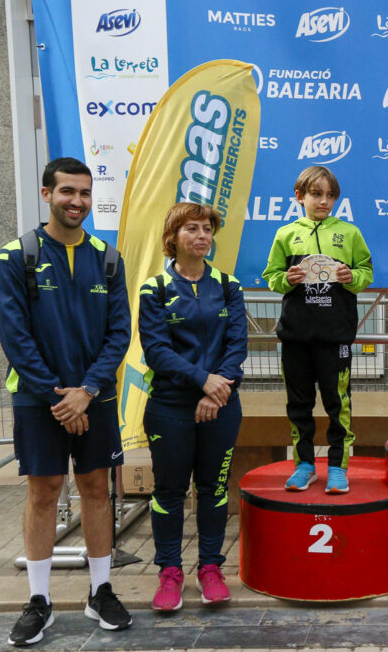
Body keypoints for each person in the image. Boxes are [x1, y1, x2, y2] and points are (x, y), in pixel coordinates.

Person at [0, 158, 132, 646]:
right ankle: (39, 601)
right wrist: (59, 397)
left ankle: (101, 591)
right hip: (40, 399)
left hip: (94, 396)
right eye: (67, 191)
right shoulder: (17, 256)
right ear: (46, 194)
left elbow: (119, 333)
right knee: (44, 491)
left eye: (85, 193)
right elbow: (15, 335)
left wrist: (87, 391)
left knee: (96, 488)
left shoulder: (108, 257)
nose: (77, 201)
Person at [138, 203, 248, 611]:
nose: (202, 236)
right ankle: (169, 572)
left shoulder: (229, 286)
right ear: (173, 237)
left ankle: (211, 568)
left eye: (207, 229)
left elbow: (237, 346)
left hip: (221, 405)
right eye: (192, 229)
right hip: (170, 408)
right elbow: (156, 351)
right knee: (168, 491)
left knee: (214, 490)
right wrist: (202, 380)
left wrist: (215, 391)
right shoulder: (155, 289)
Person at [263, 166, 373, 493]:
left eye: (330, 195)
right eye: (316, 194)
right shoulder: (285, 234)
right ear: (299, 197)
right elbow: (272, 277)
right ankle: (304, 465)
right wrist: (286, 279)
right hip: (295, 337)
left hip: (335, 336)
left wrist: (352, 277)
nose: (324, 201)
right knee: (299, 406)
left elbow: (366, 272)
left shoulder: (349, 233)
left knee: (338, 405)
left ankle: (338, 467)